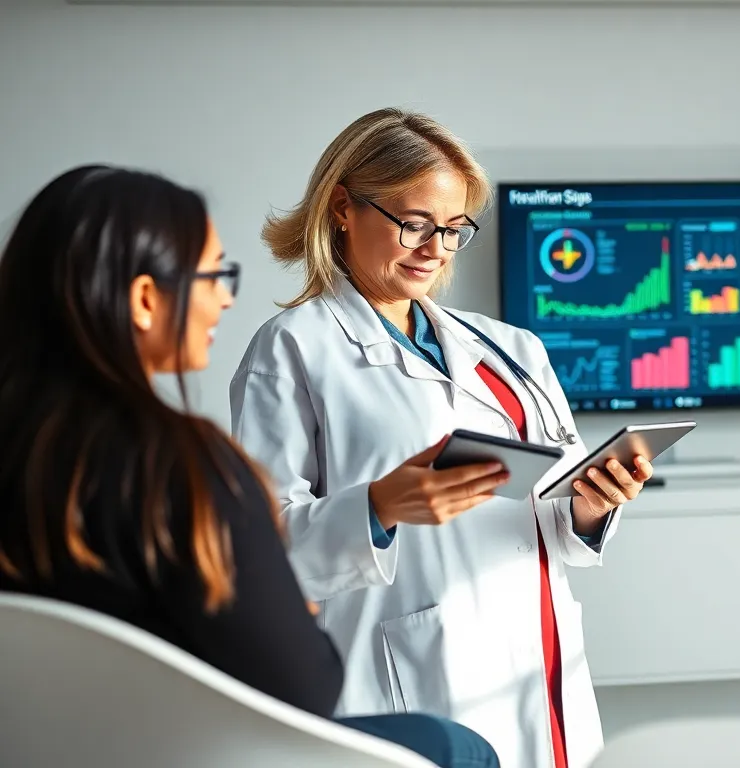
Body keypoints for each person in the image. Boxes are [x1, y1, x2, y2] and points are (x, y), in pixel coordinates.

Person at [0, 165, 499, 768]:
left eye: (452, 228)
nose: (225, 296)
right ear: (144, 299)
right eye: (213, 274)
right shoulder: (180, 467)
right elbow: (304, 686)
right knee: (458, 749)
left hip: (52, 748)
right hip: (183, 751)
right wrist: (297, 601)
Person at [229, 108, 654, 768]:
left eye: (454, 229)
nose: (436, 249)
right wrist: (378, 508)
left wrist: (594, 504)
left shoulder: (512, 348)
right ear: (344, 207)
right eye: (415, 223)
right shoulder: (292, 350)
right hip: (415, 672)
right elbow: (263, 553)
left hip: (540, 661)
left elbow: (557, 514)